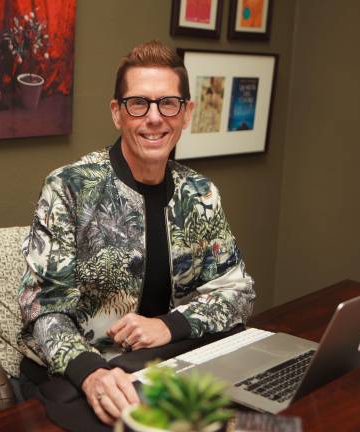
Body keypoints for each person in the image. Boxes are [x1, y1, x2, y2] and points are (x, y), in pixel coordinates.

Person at [18, 40, 255, 426]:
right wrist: (90, 373)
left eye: (168, 103)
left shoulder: (200, 193)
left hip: (167, 363)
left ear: (186, 113)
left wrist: (169, 325)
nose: (155, 118)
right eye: (139, 103)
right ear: (117, 113)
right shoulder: (69, 188)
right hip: (81, 373)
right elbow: (43, 308)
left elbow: (239, 293)